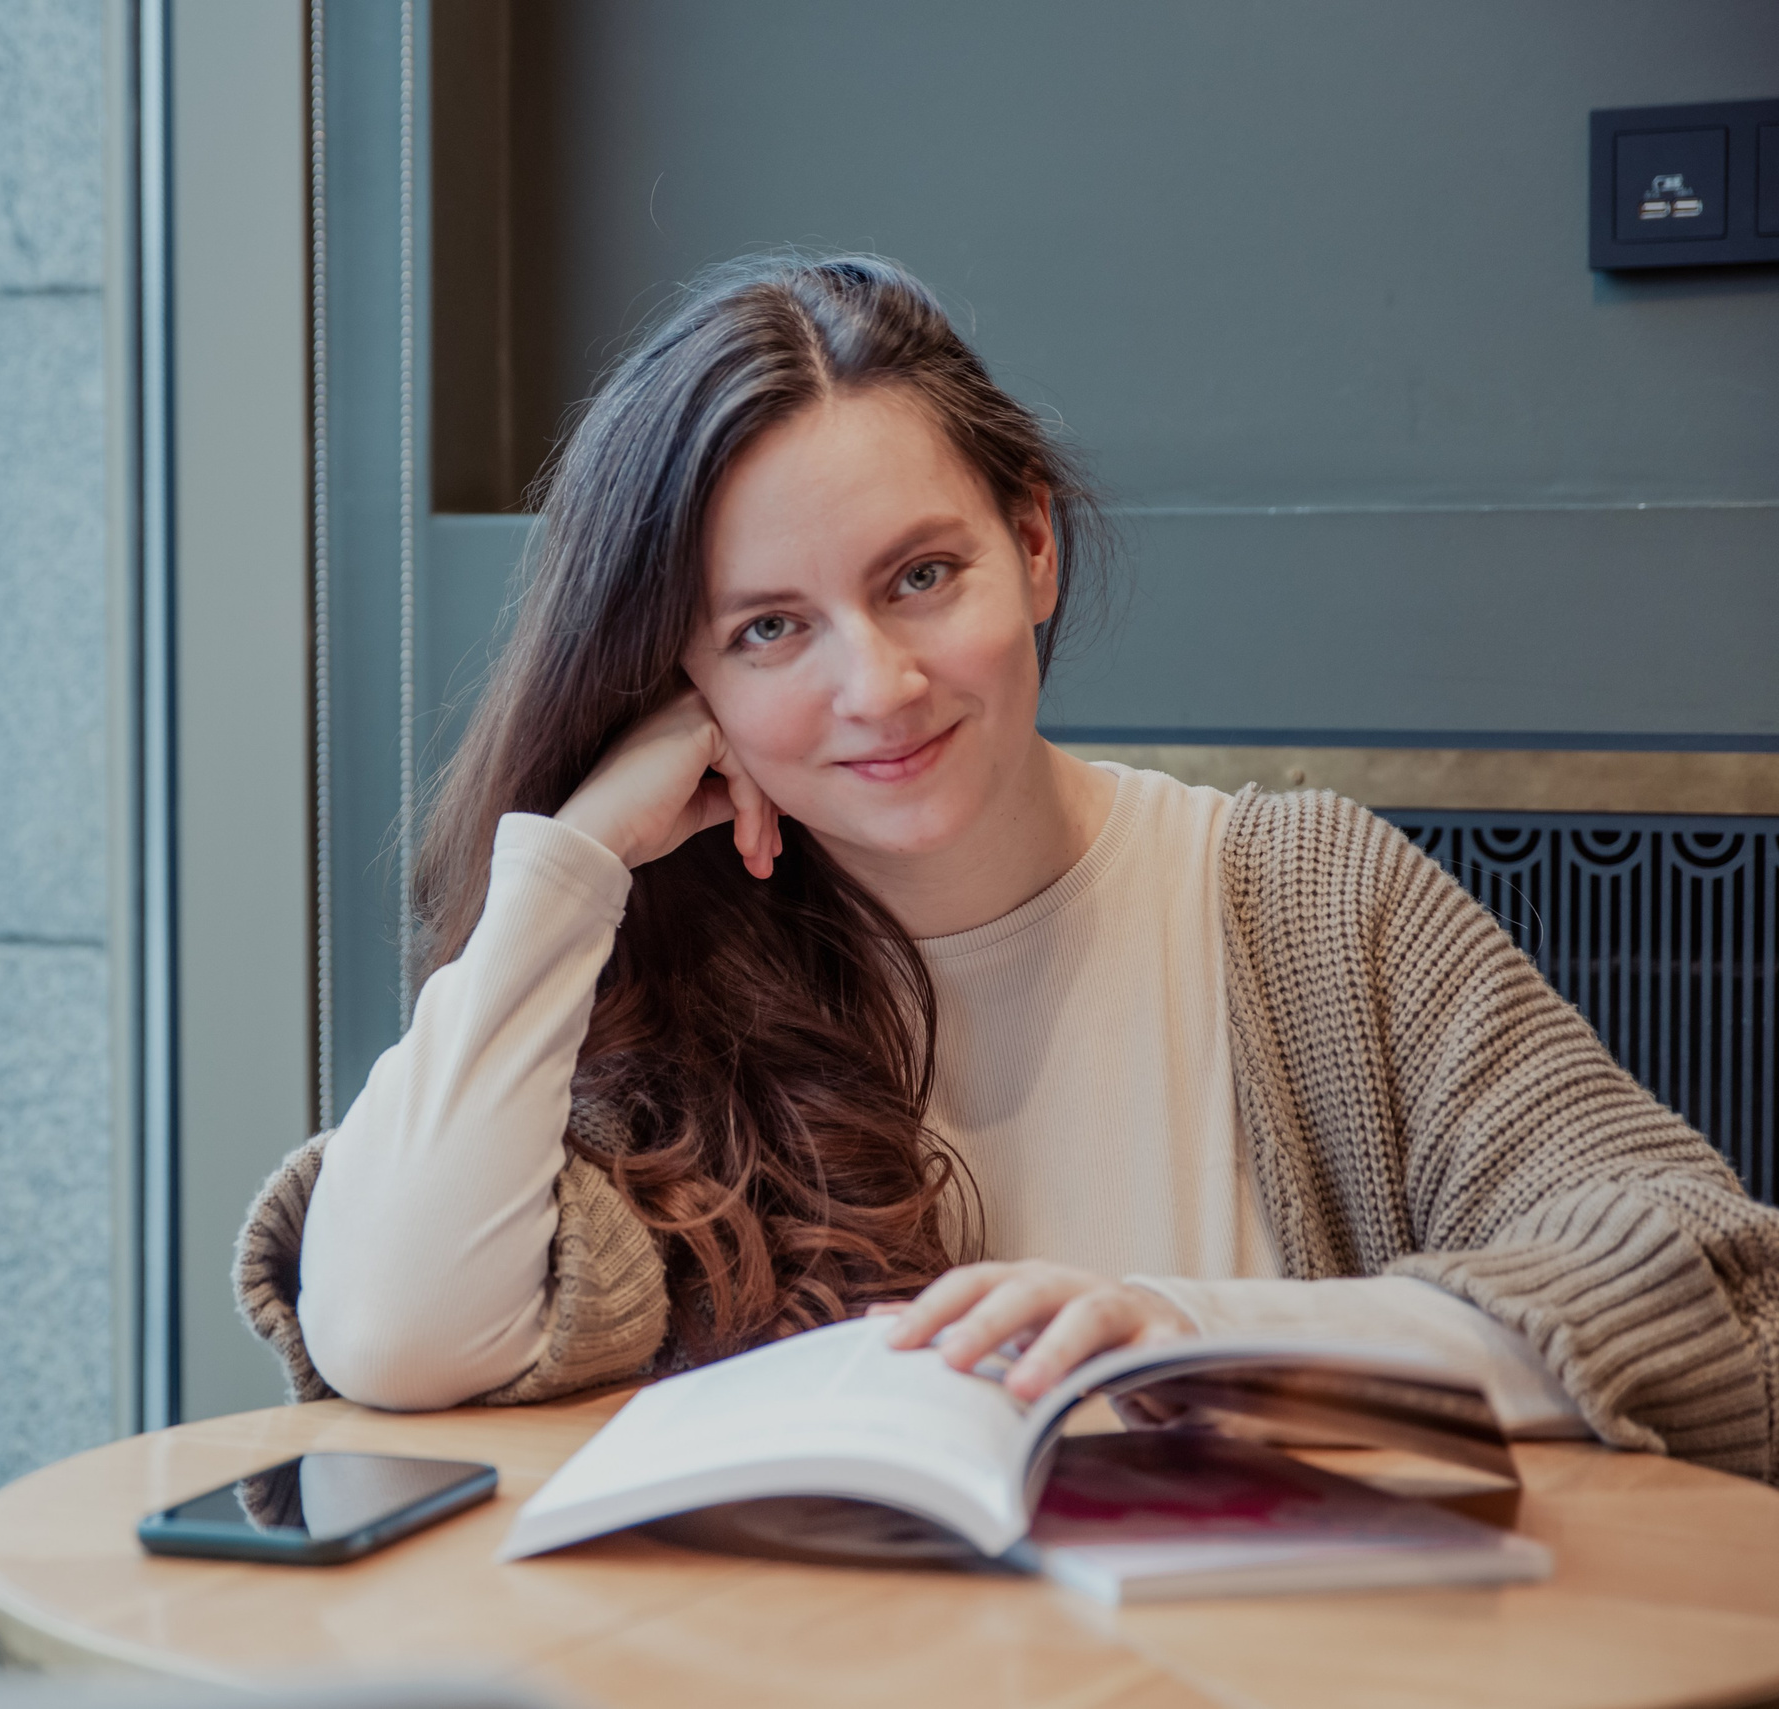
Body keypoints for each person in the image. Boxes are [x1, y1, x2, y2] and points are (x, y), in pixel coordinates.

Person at [235, 255, 1778, 1480]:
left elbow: (1723, 1293)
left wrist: (1201, 1334)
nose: (880, 686)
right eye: (769, 627)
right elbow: (387, 1327)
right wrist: (570, 866)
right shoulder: (661, 983)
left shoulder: (1305, 899)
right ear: (676, 677)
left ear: (1031, 545)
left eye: (922, 576)